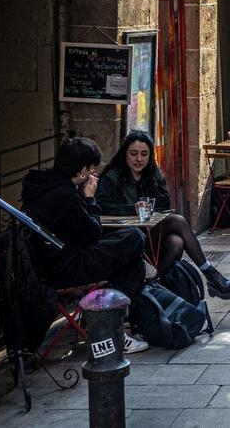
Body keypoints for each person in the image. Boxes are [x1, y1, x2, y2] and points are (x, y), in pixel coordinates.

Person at [21, 137, 150, 353]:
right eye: (91, 169)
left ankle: (111, 328)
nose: (93, 174)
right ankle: (112, 331)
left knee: (132, 261)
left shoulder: (45, 186)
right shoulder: (63, 195)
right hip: (66, 266)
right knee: (134, 238)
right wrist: (90, 198)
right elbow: (90, 233)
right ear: (82, 171)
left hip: (54, 261)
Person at [97, 131, 230, 299]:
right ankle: (210, 274)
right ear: (125, 154)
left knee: (176, 241)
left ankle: (153, 282)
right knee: (178, 222)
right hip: (125, 236)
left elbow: (165, 205)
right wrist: (133, 209)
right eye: (133, 153)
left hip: (149, 233)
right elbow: (100, 205)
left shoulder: (152, 173)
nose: (139, 159)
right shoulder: (113, 176)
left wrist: (155, 198)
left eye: (144, 154)